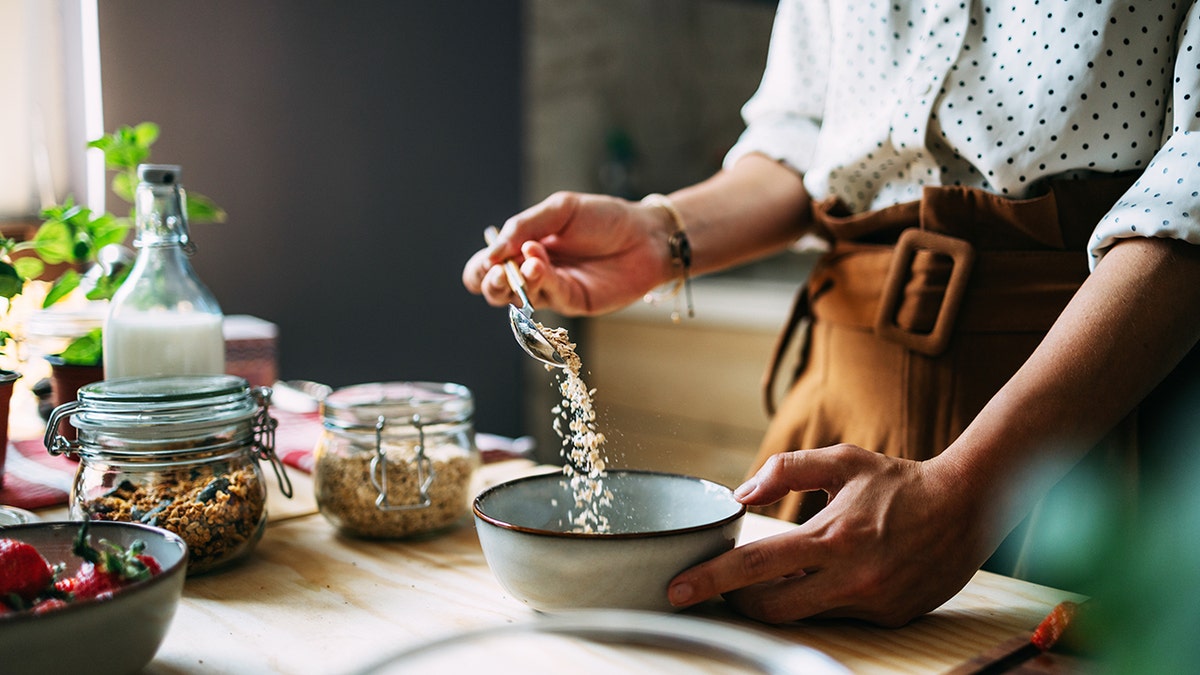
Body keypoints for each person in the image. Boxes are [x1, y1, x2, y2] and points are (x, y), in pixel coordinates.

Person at [463, 0, 1200, 626]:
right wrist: (659, 233)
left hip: (1088, 427)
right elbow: (800, 138)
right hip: (843, 405)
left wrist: (970, 493)